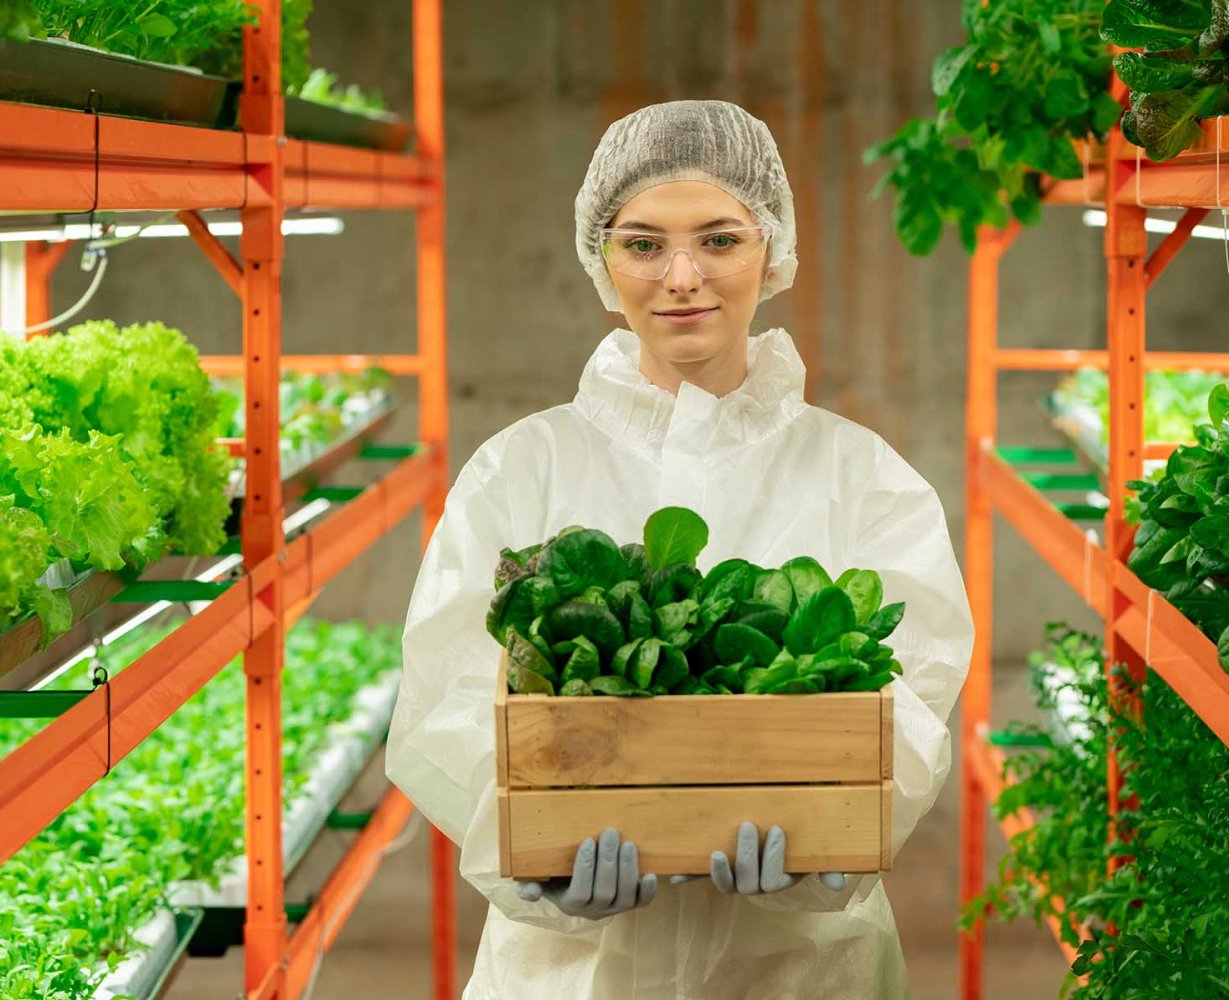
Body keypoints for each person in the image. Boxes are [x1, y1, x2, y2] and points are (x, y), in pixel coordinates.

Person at [385, 99, 974, 999]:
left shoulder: (864, 476)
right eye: (644, 243)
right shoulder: (521, 468)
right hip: (571, 974)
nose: (683, 276)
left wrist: (828, 853)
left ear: (770, 250)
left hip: (808, 969)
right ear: (600, 257)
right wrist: (534, 860)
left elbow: (917, 703)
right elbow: (446, 699)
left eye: (721, 239)